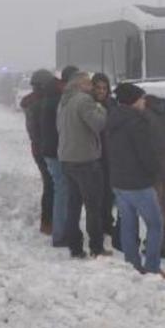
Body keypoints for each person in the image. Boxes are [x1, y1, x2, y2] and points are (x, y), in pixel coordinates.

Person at [107, 83, 165, 278]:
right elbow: (146, 154)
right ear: (133, 101)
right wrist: (155, 173)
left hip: (119, 182)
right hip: (138, 184)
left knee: (128, 225)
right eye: (142, 98)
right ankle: (152, 267)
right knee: (155, 224)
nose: (144, 102)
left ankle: (132, 265)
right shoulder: (137, 123)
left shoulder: (113, 119)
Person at [57, 71, 110, 258]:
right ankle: (96, 248)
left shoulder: (64, 101)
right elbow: (98, 124)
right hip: (85, 161)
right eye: (88, 83)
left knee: (73, 206)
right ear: (80, 85)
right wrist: (101, 108)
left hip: (67, 159)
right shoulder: (84, 101)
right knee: (93, 207)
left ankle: (75, 247)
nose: (92, 87)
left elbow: (59, 128)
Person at [20, 69, 55, 235]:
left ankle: (49, 221)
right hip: (44, 149)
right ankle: (47, 222)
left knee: (49, 184)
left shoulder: (31, 102)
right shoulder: (39, 104)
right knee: (51, 185)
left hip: (37, 148)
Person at [39, 70, 69, 247]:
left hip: (48, 151)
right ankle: (59, 234)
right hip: (56, 152)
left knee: (55, 188)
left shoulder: (45, 102)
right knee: (61, 191)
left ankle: (53, 228)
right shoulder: (57, 103)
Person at [145, 94, 165, 259]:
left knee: (154, 207)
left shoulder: (146, 115)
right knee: (162, 204)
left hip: (155, 166)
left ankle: (161, 244)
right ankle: (162, 242)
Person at [91, 73, 116, 237]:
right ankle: (98, 224)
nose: (101, 91)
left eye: (104, 88)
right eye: (98, 88)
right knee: (97, 193)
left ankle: (108, 222)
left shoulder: (112, 104)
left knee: (109, 192)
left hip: (111, 154)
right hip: (94, 154)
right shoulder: (89, 105)